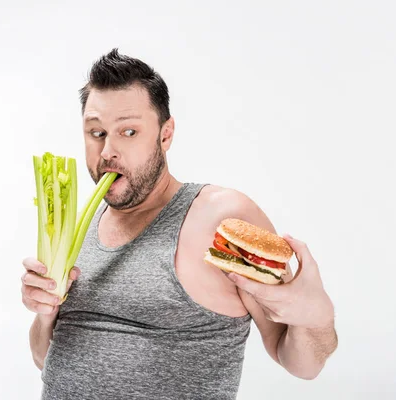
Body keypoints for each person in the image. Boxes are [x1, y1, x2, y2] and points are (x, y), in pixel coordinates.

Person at [22, 49, 338, 399]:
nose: (108, 151)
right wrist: (46, 313)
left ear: (165, 134)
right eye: (97, 133)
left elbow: (302, 363)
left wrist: (316, 318)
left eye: (129, 131)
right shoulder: (77, 227)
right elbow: (43, 358)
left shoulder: (221, 217)